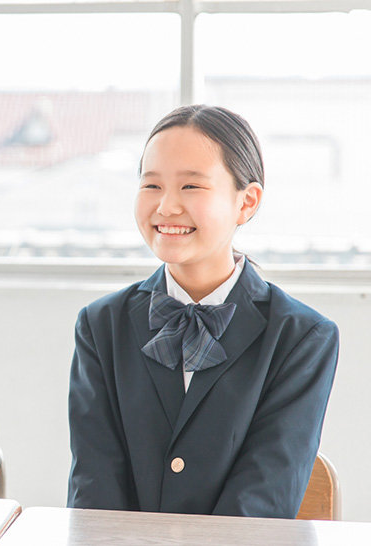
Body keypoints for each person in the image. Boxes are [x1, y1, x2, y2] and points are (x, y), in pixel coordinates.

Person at [67, 105, 339, 517]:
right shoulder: (101, 325)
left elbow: (262, 500)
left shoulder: (303, 337)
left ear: (246, 202)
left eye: (191, 187)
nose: (167, 207)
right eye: (151, 185)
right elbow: (94, 492)